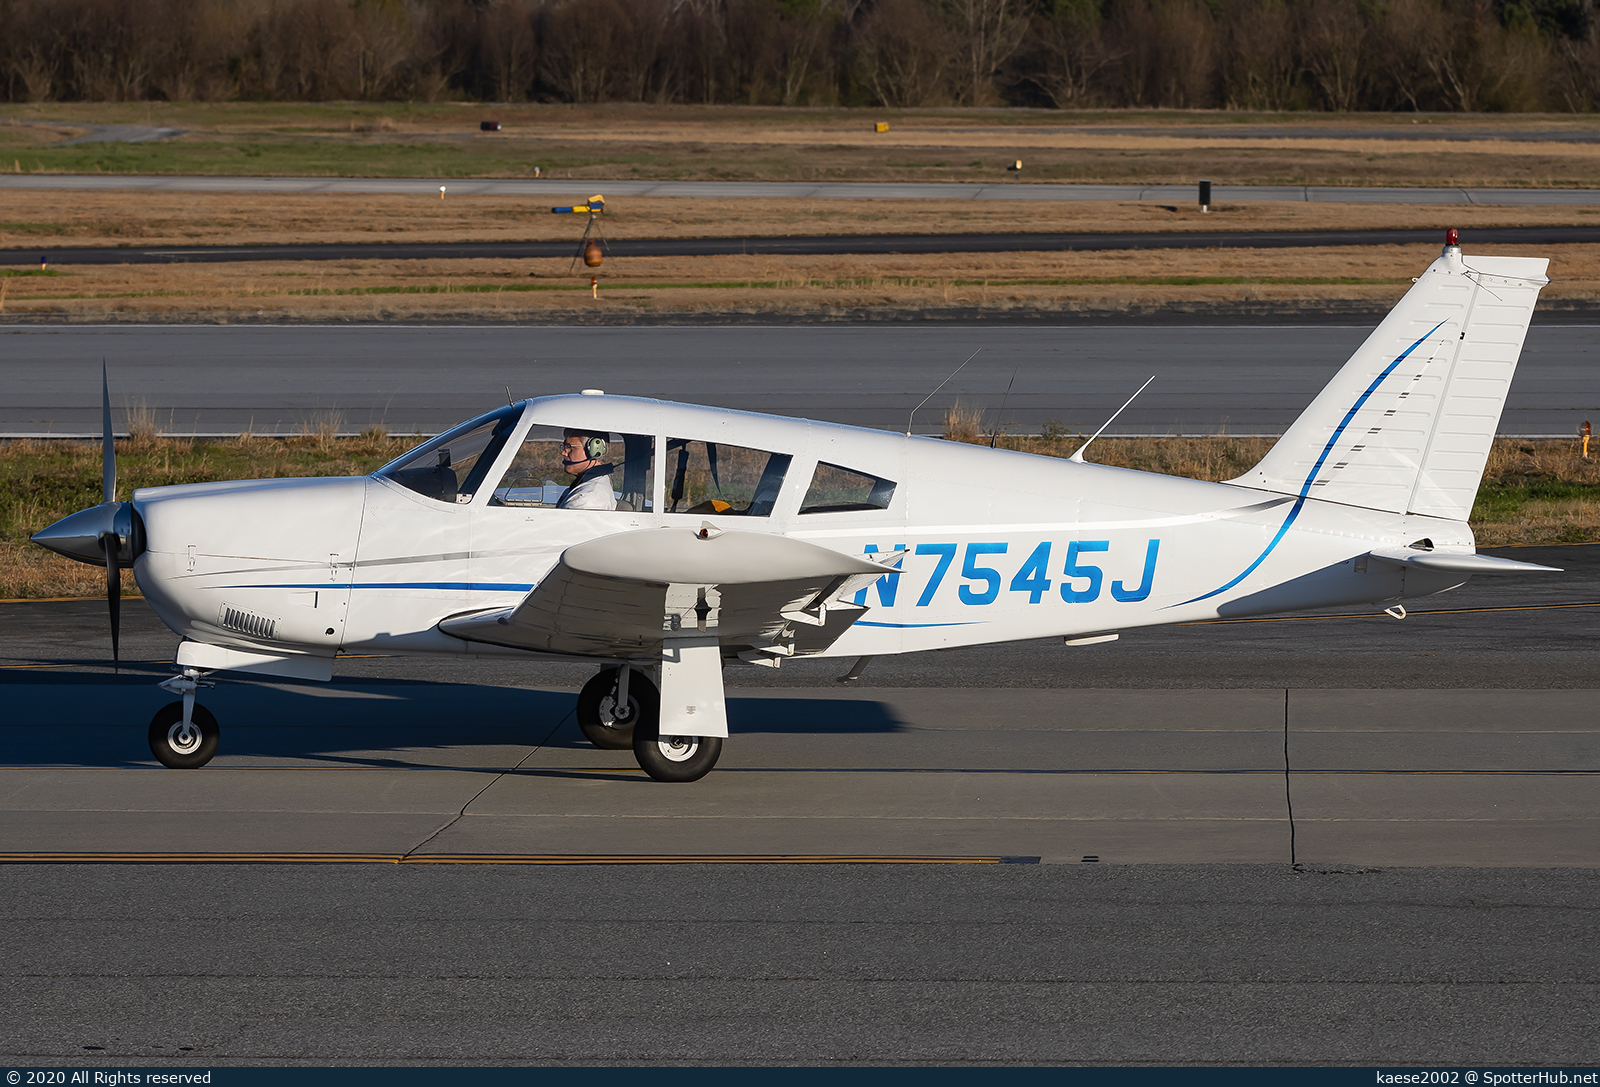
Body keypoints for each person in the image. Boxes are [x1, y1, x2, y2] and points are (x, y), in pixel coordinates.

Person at [556, 430, 617, 510]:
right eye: (564, 447)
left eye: (570, 447)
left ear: (594, 450)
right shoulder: (583, 485)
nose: (563, 453)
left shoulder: (586, 499)